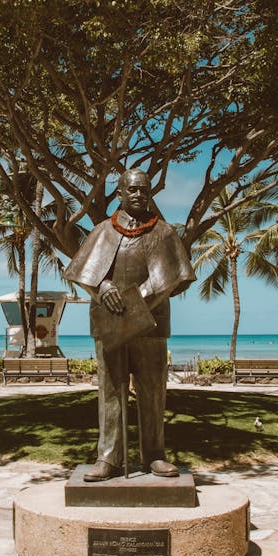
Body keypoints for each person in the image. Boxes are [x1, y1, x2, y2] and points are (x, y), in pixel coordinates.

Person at [63, 168, 195, 482]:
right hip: (110, 325)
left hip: (151, 324)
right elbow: (84, 273)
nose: (139, 195)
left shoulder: (163, 232)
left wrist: (140, 301)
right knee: (111, 391)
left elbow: (173, 278)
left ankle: (155, 455)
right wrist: (102, 287)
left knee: (152, 392)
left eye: (144, 190)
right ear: (120, 192)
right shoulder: (102, 231)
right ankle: (108, 458)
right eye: (133, 190)